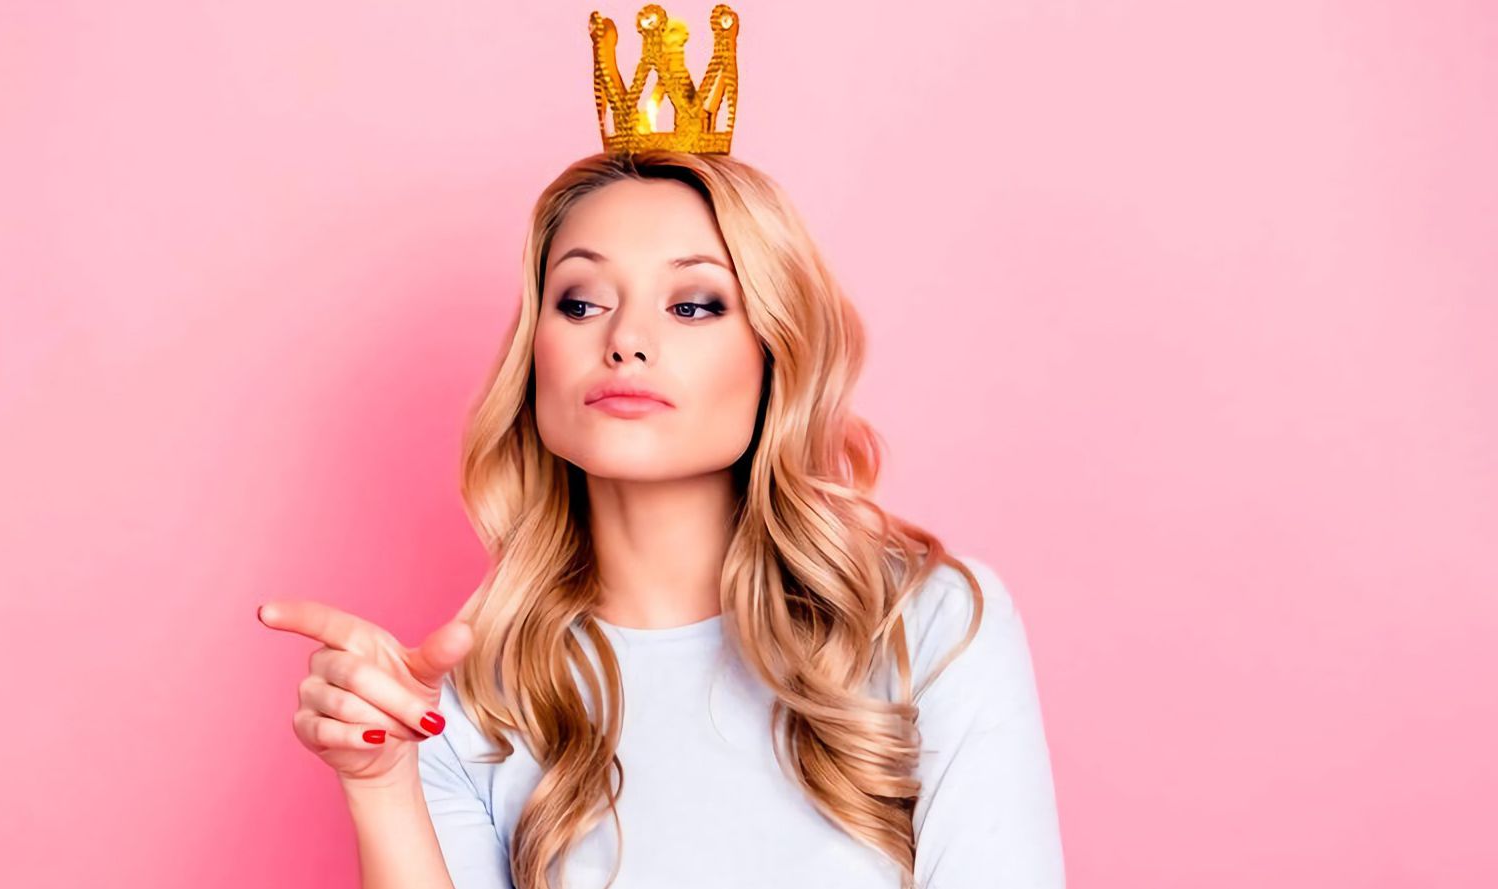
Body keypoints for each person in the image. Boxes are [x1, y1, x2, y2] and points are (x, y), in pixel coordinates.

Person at [257, 6, 1064, 888]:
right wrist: (380, 784)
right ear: (534, 358)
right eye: (580, 300)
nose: (627, 340)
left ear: (776, 353)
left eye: (693, 305)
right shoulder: (467, 705)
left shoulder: (931, 626)